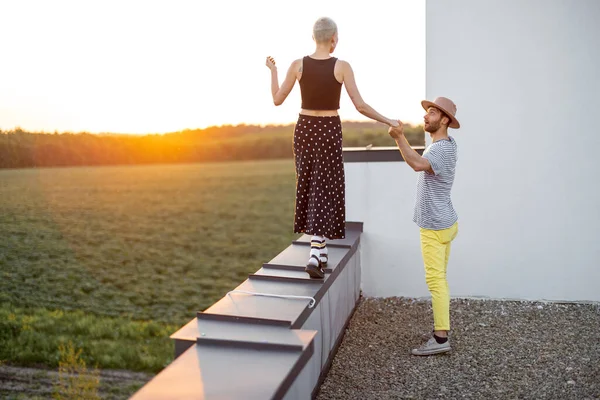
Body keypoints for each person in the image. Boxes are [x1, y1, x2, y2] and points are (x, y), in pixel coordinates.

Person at [265, 17, 398, 279]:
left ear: (313, 37)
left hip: (304, 129)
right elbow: (360, 105)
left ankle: (321, 250)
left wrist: (272, 72)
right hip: (327, 130)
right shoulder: (342, 67)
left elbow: (277, 100)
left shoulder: (297, 65)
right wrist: (389, 120)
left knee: (311, 184)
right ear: (334, 38)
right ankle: (315, 251)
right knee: (325, 186)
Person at [388, 97, 460, 355]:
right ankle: (442, 331)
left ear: (444, 120)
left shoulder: (441, 149)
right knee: (440, 279)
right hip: (445, 221)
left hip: (434, 226)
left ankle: (441, 339)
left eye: (431, 113)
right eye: (426, 112)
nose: (425, 117)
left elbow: (417, 164)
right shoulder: (444, 145)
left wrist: (399, 138)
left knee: (435, 280)